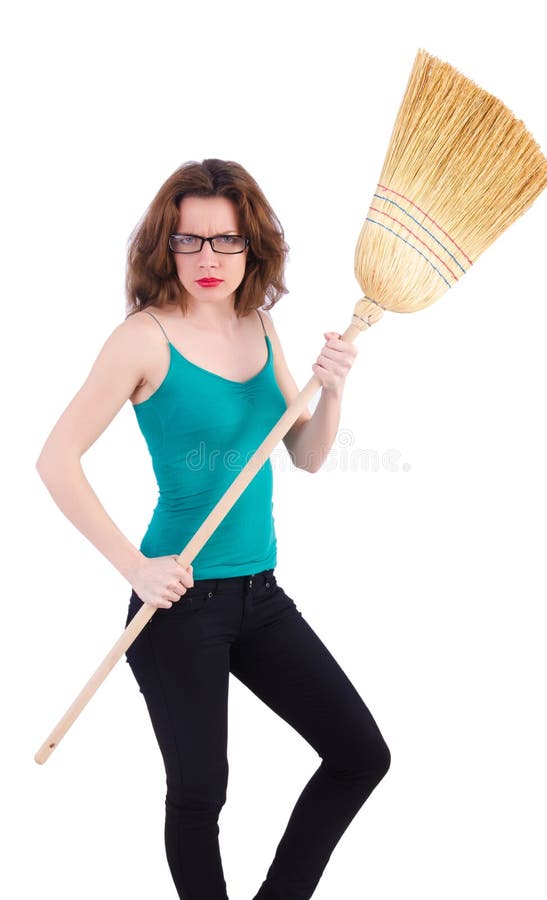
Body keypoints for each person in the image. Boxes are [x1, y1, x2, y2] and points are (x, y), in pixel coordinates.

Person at [35, 159, 391, 900]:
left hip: (260, 598)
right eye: (189, 241)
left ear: (250, 247)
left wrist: (333, 389)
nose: (207, 259)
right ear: (165, 245)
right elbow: (56, 459)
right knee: (201, 794)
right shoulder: (142, 338)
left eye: (224, 243)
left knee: (360, 754)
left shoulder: (258, 326)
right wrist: (134, 566)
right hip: (177, 605)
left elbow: (308, 455)